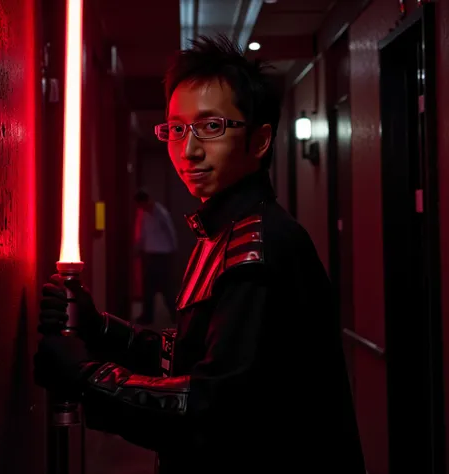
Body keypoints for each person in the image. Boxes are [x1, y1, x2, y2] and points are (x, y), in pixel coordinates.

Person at [34, 35, 366, 474]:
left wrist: (86, 379)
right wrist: (101, 330)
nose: (187, 150)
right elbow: (193, 354)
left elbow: (214, 410)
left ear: (260, 140)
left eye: (211, 127)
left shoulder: (257, 248)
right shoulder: (223, 232)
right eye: (176, 128)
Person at [133, 189, 177, 325]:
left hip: (163, 254)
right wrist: (138, 248)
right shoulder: (142, 214)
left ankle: (176, 315)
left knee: (167, 288)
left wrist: (173, 252)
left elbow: (171, 232)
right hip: (149, 254)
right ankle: (147, 316)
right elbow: (140, 233)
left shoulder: (161, 213)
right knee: (148, 288)